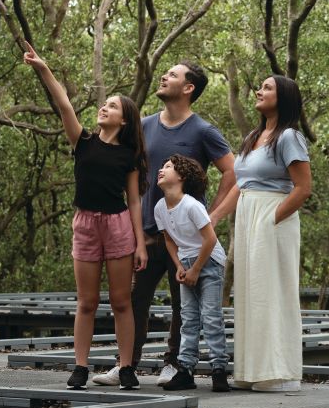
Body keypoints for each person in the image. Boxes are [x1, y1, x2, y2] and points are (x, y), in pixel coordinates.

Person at [92, 61, 235, 386]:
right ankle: (125, 365)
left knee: (183, 303)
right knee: (131, 300)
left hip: (186, 238)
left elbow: (233, 172)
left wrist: (211, 215)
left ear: (188, 88)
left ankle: (173, 364)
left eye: (173, 74)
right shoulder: (142, 126)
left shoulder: (203, 131)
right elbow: (124, 169)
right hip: (144, 232)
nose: (164, 76)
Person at [23, 42, 148, 390]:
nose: (103, 108)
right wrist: (42, 68)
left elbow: (135, 201)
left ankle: (126, 368)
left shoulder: (129, 155)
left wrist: (140, 243)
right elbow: (63, 104)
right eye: (103, 104)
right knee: (87, 302)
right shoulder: (83, 141)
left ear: (124, 119)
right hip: (86, 225)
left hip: (119, 225)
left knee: (122, 301)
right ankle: (80, 366)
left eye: (111, 106)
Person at [210, 75, 312, 392]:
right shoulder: (255, 136)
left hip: (272, 217)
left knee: (272, 292)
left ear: (284, 97)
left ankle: (279, 373)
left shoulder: (289, 137)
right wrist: (213, 218)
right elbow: (241, 185)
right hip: (248, 217)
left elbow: (303, 188)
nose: (259, 91)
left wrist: (271, 219)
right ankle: (252, 371)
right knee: (251, 293)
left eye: (267, 88)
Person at [153, 155, 230, 392]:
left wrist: (196, 269)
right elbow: (169, 240)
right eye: (162, 165)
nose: (161, 169)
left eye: (168, 167)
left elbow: (210, 239)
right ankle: (185, 370)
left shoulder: (191, 205)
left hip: (209, 262)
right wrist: (179, 266)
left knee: (210, 316)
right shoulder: (160, 207)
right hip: (186, 263)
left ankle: (219, 370)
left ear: (182, 177)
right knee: (188, 319)